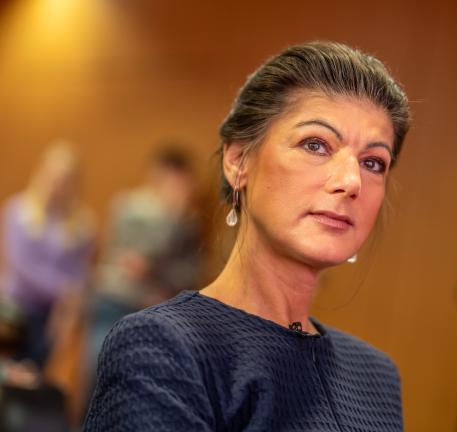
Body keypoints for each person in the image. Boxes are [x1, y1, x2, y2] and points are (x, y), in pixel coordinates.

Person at [83, 41, 410, 431]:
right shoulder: (164, 346)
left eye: (373, 162)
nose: (351, 181)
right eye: (316, 144)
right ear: (238, 161)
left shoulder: (377, 375)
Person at [85, 144, 202, 399]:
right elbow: (125, 259)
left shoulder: (186, 222)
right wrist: (169, 219)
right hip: (115, 300)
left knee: (140, 384)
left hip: (155, 309)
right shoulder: (128, 206)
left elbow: (186, 273)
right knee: (99, 371)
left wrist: (174, 217)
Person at [1, 142, 95, 370]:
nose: (57, 185)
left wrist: (70, 306)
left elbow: (81, 272)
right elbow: (21, 267)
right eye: (53, 177)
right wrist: (64, 294)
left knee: (34, 374)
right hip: (15, 309)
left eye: (65, 179)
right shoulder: (18, 211)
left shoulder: (83, 223)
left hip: (54, 317)